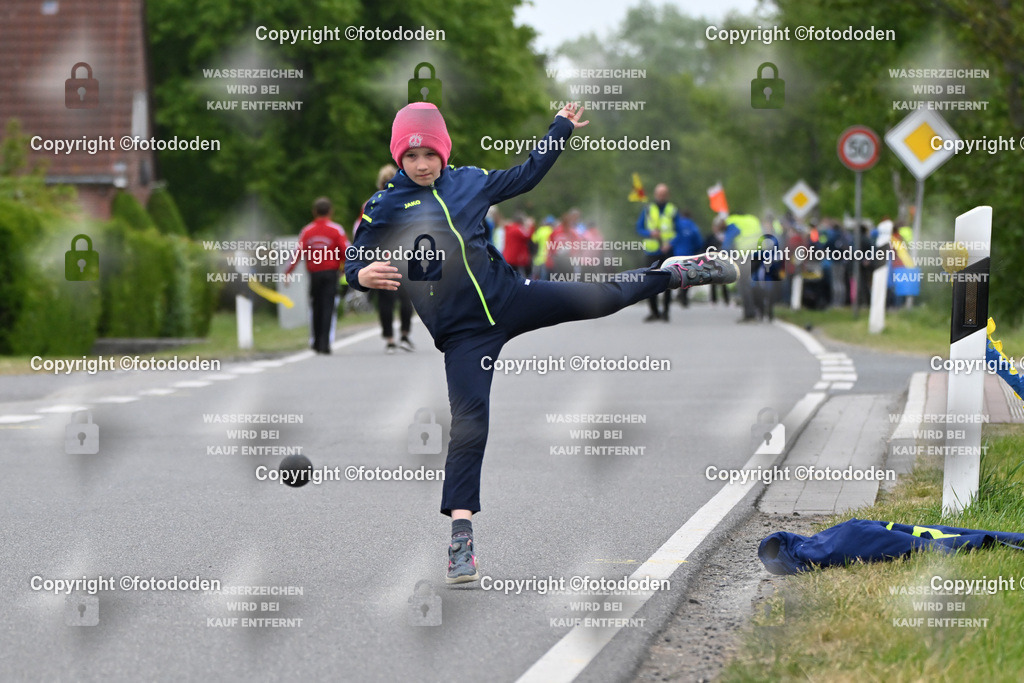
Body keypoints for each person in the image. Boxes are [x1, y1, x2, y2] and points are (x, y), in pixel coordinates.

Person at [345, 101, 737, 584]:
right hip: (464, 335)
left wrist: (561, 128)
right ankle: (461, 540)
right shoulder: (385, 205)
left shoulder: (470, 182)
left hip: (511, 297)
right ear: (398, 157)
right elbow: (353, 260)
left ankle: (676, 273)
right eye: (411, 156)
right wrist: (361, 275)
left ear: (444, 152)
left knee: (603, 298)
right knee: (470, 426)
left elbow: (527, 174)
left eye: (430, 154)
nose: (422, 164)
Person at [355, 164, 415, 353]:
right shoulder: (408, 200)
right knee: (406, 297)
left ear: (380, 183)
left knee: (385, 299)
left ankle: (389, 340)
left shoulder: (370, 203)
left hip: (380, 254)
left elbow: (359, 230)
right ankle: (405, 335)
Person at [284, 197, 347, 354]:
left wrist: (288, 272)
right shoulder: (336, 230)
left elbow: (297, 253)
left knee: (316, 306)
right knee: (328, 307)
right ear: (330, 212)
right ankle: (325, 343)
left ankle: (316, 342)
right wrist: (346, 268)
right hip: (331, 273)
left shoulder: (307, 231)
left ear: (314, 212)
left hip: (314, 274)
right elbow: (346, 251)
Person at [636, 183, 687, 322]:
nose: (661, 197)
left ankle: (666, 311)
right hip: (651, 251)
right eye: (659, 194)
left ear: (667, 195)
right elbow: (639, 228)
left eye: (664, 194)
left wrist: (671, 244)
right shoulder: (648, 209)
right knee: (650, 282)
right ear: (655, 195)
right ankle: (654, 311)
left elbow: (679, 232)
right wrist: (650, 233)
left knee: (668, 282)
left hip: (667, 251)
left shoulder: (672, 210)